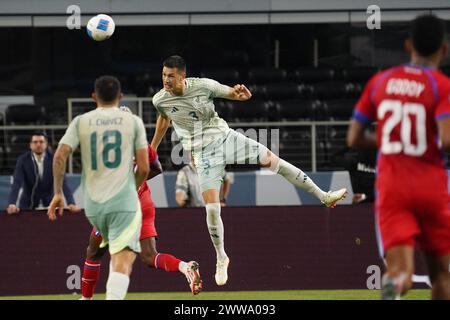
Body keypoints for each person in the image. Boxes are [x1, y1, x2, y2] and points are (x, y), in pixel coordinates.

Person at [151, 55, 348, 286]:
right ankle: (221, 257)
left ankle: (323, 196)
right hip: (204, 156)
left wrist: (240, 94)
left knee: (275, 162)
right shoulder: (160, 100)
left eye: (171, 76)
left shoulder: (203, 86)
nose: (166, 79)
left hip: (227, 140)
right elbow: (164, 118)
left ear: (182, 76)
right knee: (212, 210)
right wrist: (152, 148)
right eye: (164, 75)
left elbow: (231, 93)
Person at [347, 14, 450, 300]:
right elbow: (447, 138)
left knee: (399, 273)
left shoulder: (381, 81)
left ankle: (392, 292)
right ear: (444, 49)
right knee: (442, 276)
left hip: (393, 188)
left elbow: (353, 138)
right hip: (431, 188)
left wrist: (390, 140)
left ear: (408, 45)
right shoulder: (441, 86)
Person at [80, 107, 202, 299]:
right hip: (143, 204)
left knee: (94, 252)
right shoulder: (142, 145)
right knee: (148, 256)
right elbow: (157, 168)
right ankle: (184, 267)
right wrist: (138, 180)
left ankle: (86, 298)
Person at [47, 75, 149, 300]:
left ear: (94, 97)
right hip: (123, 203)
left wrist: (57, 194)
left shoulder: (81, 121)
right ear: (121, 97)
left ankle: (87, 298)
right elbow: (144, 166)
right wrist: (132, 188)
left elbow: (59, 157)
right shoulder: (133, 122)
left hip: (93, 207)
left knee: (95, 252)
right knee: (122, 261)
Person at [6, 132, 81, 214]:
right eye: (35, 142)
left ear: (46, 144)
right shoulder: (23, 160)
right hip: (27, 206)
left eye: (41, 142)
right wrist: (12, 204)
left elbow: (63, 183)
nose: (38, 144)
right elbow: (17, 183)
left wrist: (71, 203)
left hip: (50, 205)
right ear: (30, 145)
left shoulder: (54, 160)